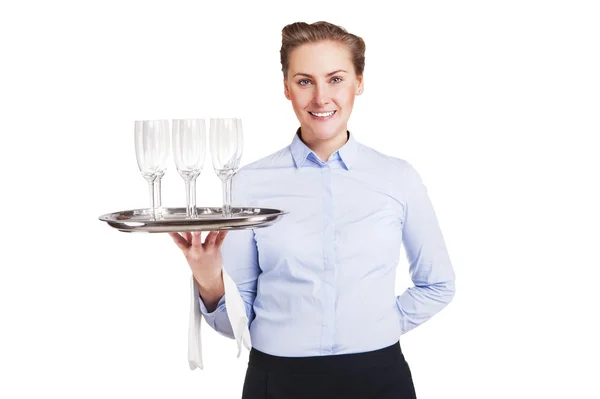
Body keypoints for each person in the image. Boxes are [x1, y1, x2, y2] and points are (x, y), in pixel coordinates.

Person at [169, 21, 455, 399]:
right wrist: (208, 281)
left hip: (380, 379)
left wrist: (381, 325)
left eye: (335, 79)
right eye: (305, 81)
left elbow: (438, 285)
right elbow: (235, 323)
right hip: (278, 381)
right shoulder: (246, 184)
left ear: (359, 83)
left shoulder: (398, 178)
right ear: (286, 88)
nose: (321, 98)